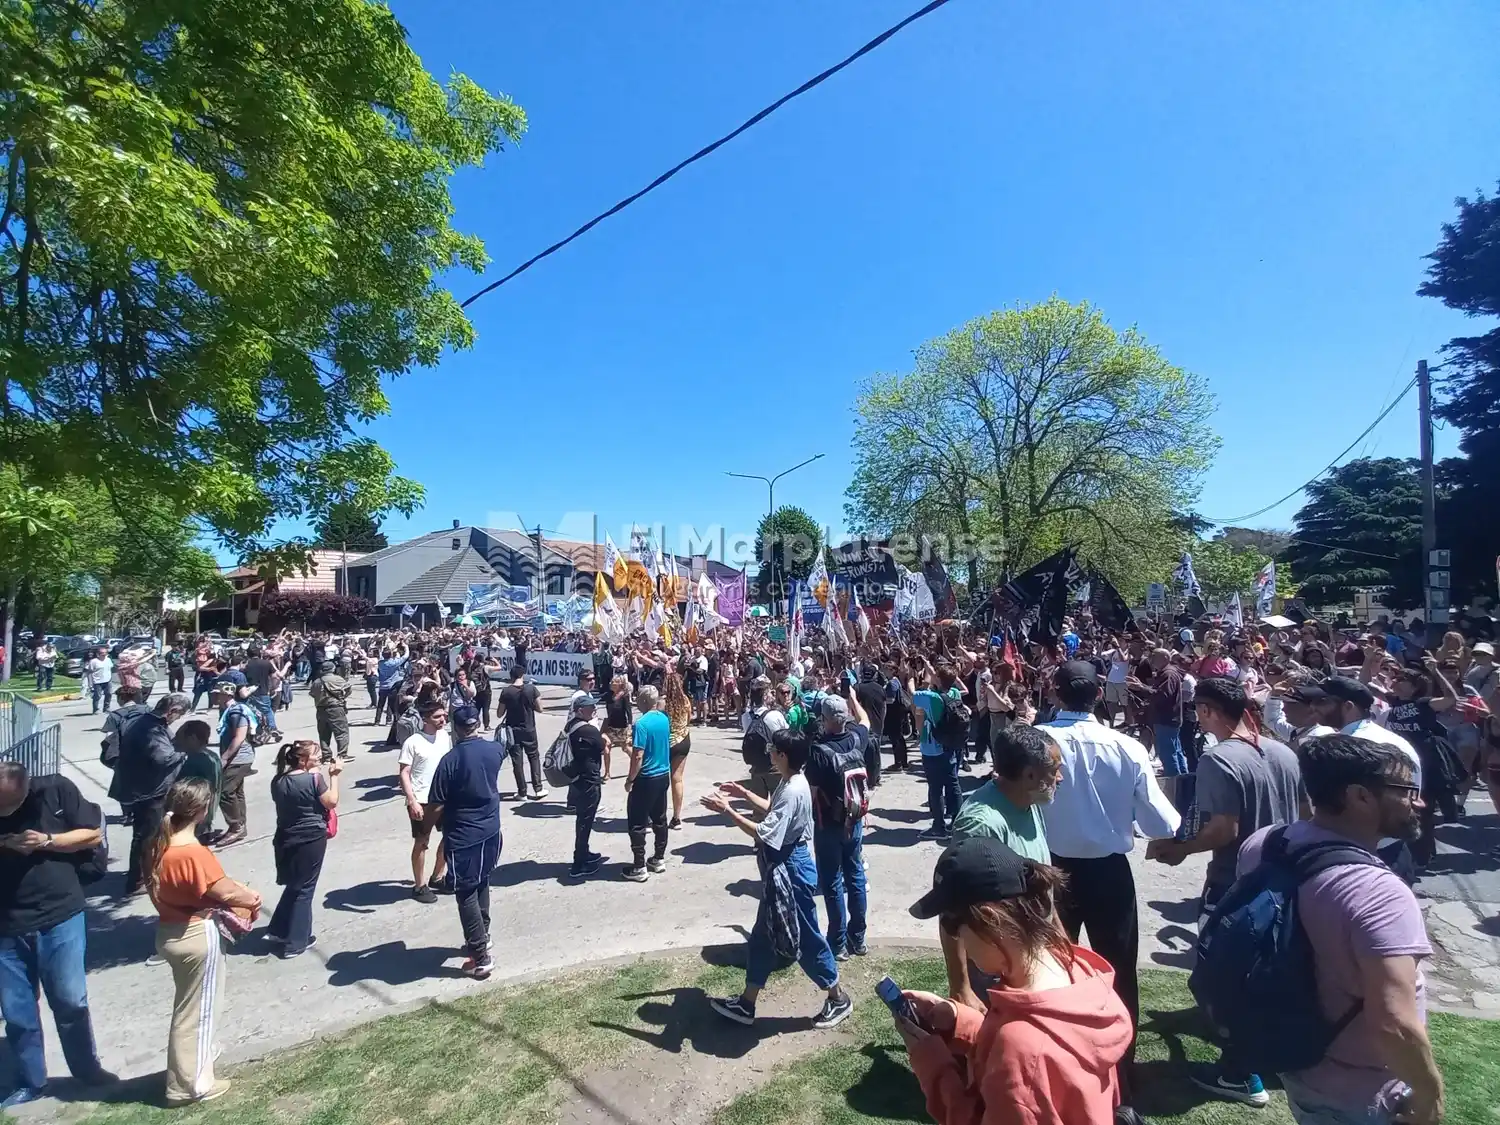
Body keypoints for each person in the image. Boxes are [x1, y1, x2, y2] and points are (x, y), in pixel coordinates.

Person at [1240, 735, 1443, 1125]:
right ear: (1360, 797)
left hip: (1298, 1059)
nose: (1419, 801)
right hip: (1365, 1096)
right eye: (1407, 790)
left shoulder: (1266, 843)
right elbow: (1395, 1024)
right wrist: (1430, 1094)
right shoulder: (1380, 894)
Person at [1148, 675, 1307, 1107]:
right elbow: (1306, 812)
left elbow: (1223, 830)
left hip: (1234, 886)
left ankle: (1240, 1074)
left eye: (1196, 708)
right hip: (1284, 881)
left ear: (1207, 711)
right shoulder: (1283, 751)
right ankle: (1272, 1053)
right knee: (1271, 974)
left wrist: (1179, 849)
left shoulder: (1219, 759)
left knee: (1225, 979)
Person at [901, 837, 1133, 1125]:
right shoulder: (1077, 970)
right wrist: (962, 1022)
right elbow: (1045, 1053)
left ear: (991, 920)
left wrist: (931, 1062)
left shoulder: (1020, 1051)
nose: (957, 940)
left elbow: (1020, 1066)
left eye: (952, 925)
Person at [1037, 660, 1179, 1105]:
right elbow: (1161, 823)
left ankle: (1055, 1063)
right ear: (1099, 695)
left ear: (1056, 693)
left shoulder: (1038, 741)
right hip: (1106, 871)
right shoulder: (1127, 747)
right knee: (1119, 973)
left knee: (1049, 971)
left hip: (1050, 871)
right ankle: (1121, 1074)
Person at [702, 729, 853, 1030]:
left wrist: (727, 811)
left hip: (791, 871)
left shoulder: (794, 787)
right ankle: (746, 1003)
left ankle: (837, 997)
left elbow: (764, 833)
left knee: (806, 938)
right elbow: (773, 811)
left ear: (783, 755)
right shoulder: (792, 780)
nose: (768, 752)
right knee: (762, 936)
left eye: (773, 748)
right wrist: (744, 794)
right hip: (782, 869)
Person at [0, 762, 116, 1110]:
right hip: (6, 925)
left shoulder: (55, 790)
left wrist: (46, 841)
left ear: (24, 790)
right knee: (17, 1011)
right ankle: (31, 1081)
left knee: (69, 1000)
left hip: (60, 913)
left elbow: (93, 833)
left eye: (9, 806)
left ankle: (86, 1070)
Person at [148, 778, 261, 1107]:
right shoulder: (193, 853)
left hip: (169, 930)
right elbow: (223, 890)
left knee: (188, 1009)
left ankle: (191, 1071)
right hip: (196, 934)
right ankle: (192, 1086)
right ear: (200, 810)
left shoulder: (157, 845)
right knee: (198, 1012)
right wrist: (251, 897)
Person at [939, 723, 1061, 1005]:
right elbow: (952, 909)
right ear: (1030, 775)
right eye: (1054, 771)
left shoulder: (1030, 803)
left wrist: (1059, 940)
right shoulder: (981, 824)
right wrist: (961, 988)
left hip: (1033, 955)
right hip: (996, 968)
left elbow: (1043, 889)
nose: (1061, 778)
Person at [425, 704, 503, 979]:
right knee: (482, 880)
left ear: (456, 729)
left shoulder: (451, 760)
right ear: (477, 724)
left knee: (465, 892)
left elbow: (436, 804)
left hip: (463, 834)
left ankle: (480, 955)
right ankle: (483, 933)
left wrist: (428, 827)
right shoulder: (495, 750)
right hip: (491, 828)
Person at [805, 695, 870, 961]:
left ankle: (838, 941)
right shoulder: (858, 739)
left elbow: (812, 791)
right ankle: (859, 938)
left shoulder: (819, 751)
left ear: (825, 719)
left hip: (828, 823)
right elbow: (865, 720)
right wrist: (854, 697)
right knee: (856, 877)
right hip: (853, 820)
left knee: (832, 882)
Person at [111, 692, 191, 893]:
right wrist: (184, 752)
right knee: (148, 836)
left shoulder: (142, 721)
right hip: (150, 791)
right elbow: (163, 758)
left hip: (139, 786)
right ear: (172, 711)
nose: (177, 719)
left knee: (147, 834)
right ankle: (139, 878)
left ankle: (144, 873)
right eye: (178, 715)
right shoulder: (151, 729)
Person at [266, 741, 340, 958]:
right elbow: (331, 802)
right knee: (305, 889)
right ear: (302, 760)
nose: (320, 758)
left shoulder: (278, 780)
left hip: (285, 838)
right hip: (310, 839)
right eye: (315, 756)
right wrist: (334, 775)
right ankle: (297, 942)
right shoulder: (314, 779)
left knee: (294, 885)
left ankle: (279, 929)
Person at [399, 699, 452, 903]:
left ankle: (438, 876)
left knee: (450, 837)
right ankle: (419, 886)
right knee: (422, 842)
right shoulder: (413, 742)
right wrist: (411, 800)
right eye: (438, 716)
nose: (443, 719)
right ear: (424, 719)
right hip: (421, 800)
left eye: (444, 715)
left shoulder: (445, 736)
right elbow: (404, 772)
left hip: (444, 797)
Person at [623, 685, 672, 881]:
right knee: (660, 818)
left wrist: (630, 779)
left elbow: (638, 755)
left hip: (647, 777)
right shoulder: (664, 718)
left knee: (637, 822)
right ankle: (659, 858)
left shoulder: (641, 724)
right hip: (663, 773)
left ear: (642, 701)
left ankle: (638, 865)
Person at [913, 667, 965, 841]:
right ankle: (957, 823)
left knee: (935, 789)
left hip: (933, 748)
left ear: (938, 679)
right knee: (953, 783)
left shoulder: (932, 698)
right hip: (951, 746)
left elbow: (913, 696)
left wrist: (920, 681)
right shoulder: (955, 693)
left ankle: (938, 827)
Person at [211, 681, 259, 849]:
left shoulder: (236, 711)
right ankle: (239, 825)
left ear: (227, 694)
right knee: (236, 792)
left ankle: (236, 826)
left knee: (225, 792)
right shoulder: (228, 710)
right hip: (237, 758)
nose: (214, 696)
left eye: (217, 693)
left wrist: (224, 759)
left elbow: (239, 737)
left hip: (238, 758)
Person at [566, 694, 608, 880]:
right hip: (589, 780)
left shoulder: (572, 725)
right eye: (591, 708)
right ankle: (579, 863)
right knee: (585, 821)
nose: (594, 710)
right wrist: (604, 736)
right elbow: (603, 746)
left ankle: (584, 852)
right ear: (580, 710)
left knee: (583, 819)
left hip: (577, 778)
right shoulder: (588, 730)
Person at [498, 664, 545, 800]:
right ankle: (538, 788)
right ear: (522, 675)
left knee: (517, 762)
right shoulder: (531, 689)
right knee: (533, 757)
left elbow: (500, 713)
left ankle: (522, 791)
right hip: (529, 728)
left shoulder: (506, 692)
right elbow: (540, 708)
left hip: (513, 730)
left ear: (511, 676)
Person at [173, 720, 222, 842]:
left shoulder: (197, 760)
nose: (176, 742)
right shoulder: (212, 756)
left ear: (193, 738)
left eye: (180, 738)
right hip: (204, 816)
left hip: (195, 818)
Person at [740, 676, 789, 799]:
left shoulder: (746, 716)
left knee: (758, 804)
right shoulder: (775, 715)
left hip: (756, 765)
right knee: (778, 803)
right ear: (765, 696)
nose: (773, 695)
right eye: (770, 693)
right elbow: (786, 736)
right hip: (775, 765)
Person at [663, 670, 693, 829]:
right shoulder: (685, 701)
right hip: (683, 739)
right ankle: (676, 817)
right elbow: (689, 719)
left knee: (661, 778)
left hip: (667, 741)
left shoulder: (662, 703)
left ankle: (658, 815)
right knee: (677, 779)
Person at [309, 660, 352, 764]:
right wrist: (342, 697)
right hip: (336, 708)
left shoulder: (317, 681)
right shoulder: (338, 679)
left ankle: (326, 756)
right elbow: (348, 689)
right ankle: (342, 754)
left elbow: (312, 694)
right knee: (341, 732)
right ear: (333, 669)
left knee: (324, 733)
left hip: (321, 709)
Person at [243, 644, 278, 736]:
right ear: (259, 654)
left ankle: (255, 730)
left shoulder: (246, 665)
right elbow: (274, 677)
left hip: (249, 692)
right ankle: (272, 728)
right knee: (267, 711)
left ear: (248, 654)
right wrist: (273, 688)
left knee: (251, 712)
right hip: (263, 691)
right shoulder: (266, 663)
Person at [84, 647, 113, 714]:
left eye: (105, 653)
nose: (104, 654)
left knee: (108, 694)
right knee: (97, 696)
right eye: (102, 653)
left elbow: (110, 669)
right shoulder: (93, 661)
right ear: (98, 654)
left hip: (107, 680)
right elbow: (89, 672)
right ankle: (95, 709)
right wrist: (90, 683)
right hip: (97, 681)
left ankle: (106, 708)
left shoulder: (108, 660)